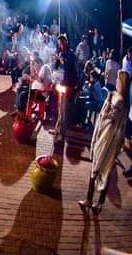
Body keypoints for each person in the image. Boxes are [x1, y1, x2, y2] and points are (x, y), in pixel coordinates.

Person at [79, 71, 130, 215]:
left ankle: (95, 201)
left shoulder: (120, 101)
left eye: (119, 80)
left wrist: (107, 105)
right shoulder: (114, 95)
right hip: (103, 134)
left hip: (109, 139)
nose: (117, 82)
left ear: (123, 84)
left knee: (102, 168)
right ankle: (94, 201)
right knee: (98, 166)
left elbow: (110, 116)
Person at [53, 35, 78, 145]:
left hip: (68, 86)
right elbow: (57, 68)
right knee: (60, 110)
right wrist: (56, 61)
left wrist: (63, 61)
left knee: (64, 111)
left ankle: (61, 136)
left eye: (62, 43)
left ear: (66, 42)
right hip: (61, 85)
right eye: (59, 44)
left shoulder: (71, 54)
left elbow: (71, 68)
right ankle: (57, 133)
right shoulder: (61, 53)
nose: (61, 45)